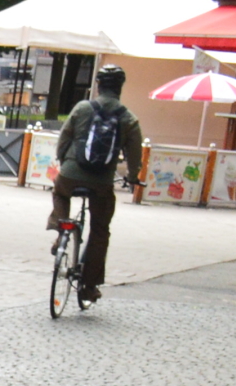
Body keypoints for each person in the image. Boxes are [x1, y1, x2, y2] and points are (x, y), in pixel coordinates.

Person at [50, 63, 142, 306]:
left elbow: (64, 139)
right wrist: (133, 177)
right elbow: (134, 155)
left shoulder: (82, 107)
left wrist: (64, 162)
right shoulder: (129, 118)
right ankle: (89, 287)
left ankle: (61, 232)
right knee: (100, 230)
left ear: (98, 85)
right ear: (120, 87)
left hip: (70, 174)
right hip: (101, 182)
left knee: (60, 192)